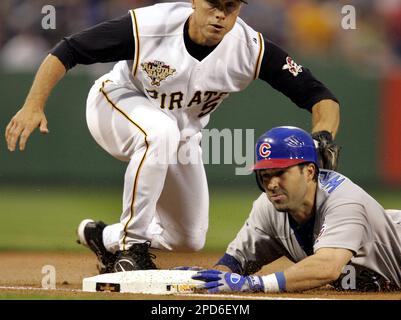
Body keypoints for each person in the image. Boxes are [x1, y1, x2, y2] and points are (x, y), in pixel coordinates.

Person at [4, 1, 340, 274]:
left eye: (231, 6)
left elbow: (318, 94)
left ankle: (102, 235)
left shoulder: (250, 49)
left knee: (188, 237)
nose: (221, 14)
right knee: (159, 131)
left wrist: (322, 134)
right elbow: (70, 48)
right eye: (213, 4)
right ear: (194, 2)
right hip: (115, 104)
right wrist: (34, 103)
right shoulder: (150, 26)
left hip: (178, 137)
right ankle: (130, 248)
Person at [192, 126, 401, 293]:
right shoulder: (268, 207)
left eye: (280, 173)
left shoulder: (344, 200)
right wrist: (205, 279)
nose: (272, 184)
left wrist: (256, 284)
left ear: (309, 172)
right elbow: (234, 262)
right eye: (265, 175)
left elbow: (327, 267)